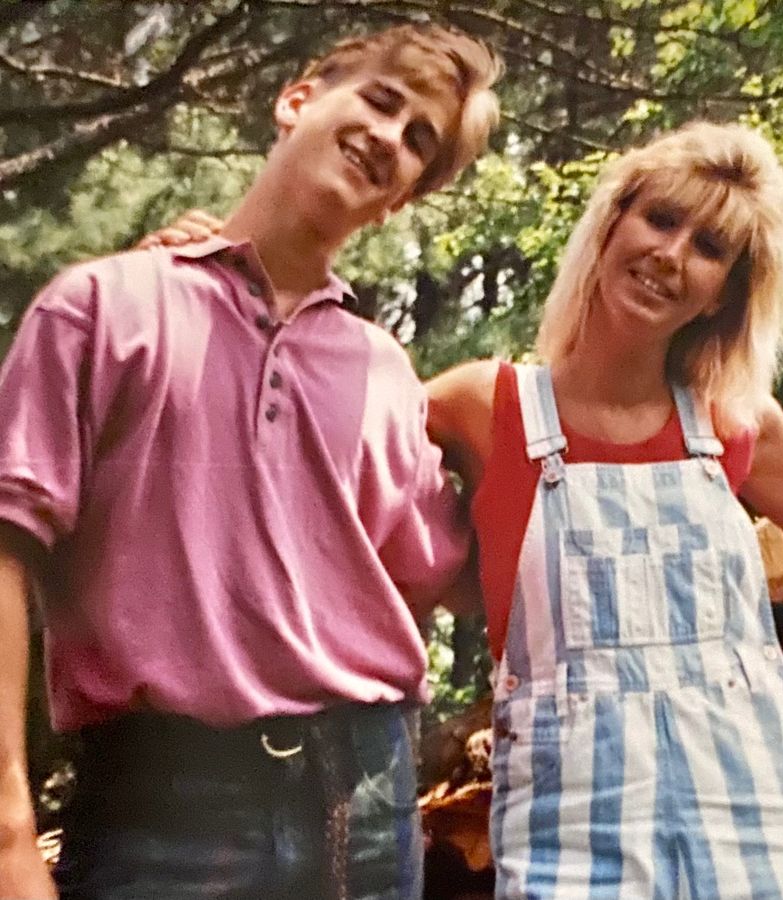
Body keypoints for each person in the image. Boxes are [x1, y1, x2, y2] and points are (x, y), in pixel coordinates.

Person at [0, 23, 500, 900]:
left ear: (398, 201)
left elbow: (458, 579)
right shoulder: (103, 307)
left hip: (366, 807)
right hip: (161, 811)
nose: (389, 136)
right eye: (380, 101)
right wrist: (8, 830)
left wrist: (508, 422)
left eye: (419, 140)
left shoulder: (382, 369)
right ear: (297, 99)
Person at [426, 121, 783, 899]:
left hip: (763, 829)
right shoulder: (486, 407)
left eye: (709, 248)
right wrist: (215, 261)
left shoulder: (734, 422)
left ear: (725, 293)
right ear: (612, 222)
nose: (671, 254)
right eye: (661, 219)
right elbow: (321, 466)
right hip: (571, 837)